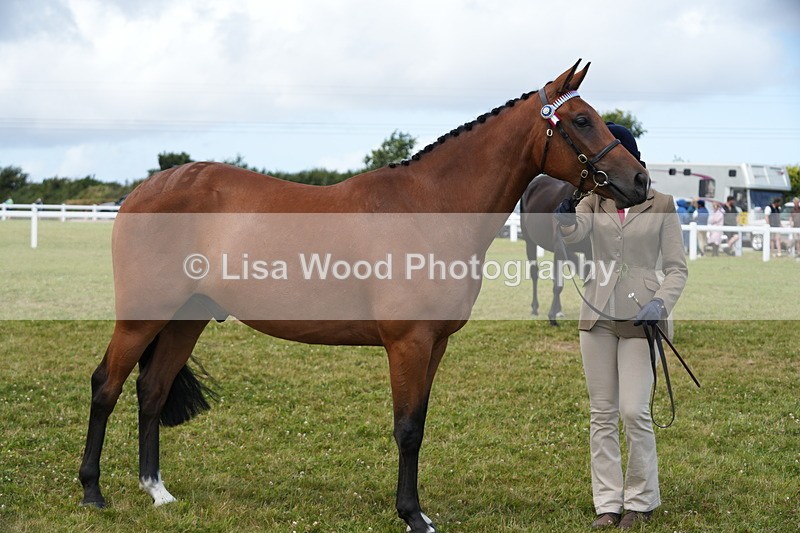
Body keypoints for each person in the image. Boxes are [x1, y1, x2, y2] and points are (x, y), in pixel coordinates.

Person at [554, 123, 688, 530]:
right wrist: (562, 219)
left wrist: (660, 302)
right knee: (602, 414)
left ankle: (641, 499)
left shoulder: (661, 203)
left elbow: (677, 268)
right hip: (597, 315)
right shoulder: (595, 200)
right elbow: (575, 233)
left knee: (634, 411)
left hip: (641, 318)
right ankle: (608, 503)